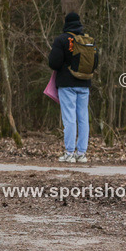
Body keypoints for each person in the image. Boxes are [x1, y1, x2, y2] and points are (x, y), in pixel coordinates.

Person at [48, 12, 97, 163]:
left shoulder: (62, 40)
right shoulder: (88, 40)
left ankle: (69, 153)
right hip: (84, 85)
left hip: (67, 84)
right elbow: (95, 64)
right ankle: (81, 153)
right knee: (83, 119)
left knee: (69, 119)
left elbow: (53, 63)